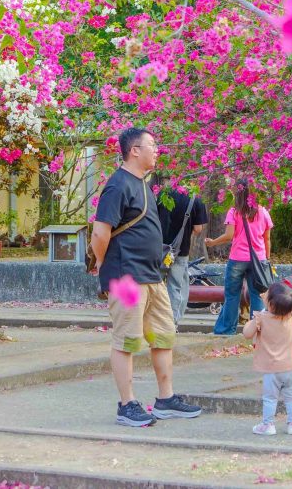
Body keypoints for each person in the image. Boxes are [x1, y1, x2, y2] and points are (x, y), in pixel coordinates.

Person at [89, 127, 202, 427]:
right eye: (152, 145)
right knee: (126, 340)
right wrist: (103, 263)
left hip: (153, 277)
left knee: (163, 335)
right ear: (134, 150)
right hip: (127, 277)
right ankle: (127, 405)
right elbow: (100, 232)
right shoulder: (118, 185)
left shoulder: (143, 185)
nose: (157, 150)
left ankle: (166, 399)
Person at [205, 179, 272, 336]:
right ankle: (257, 332)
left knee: (232, 294)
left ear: (238, 193)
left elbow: (229, 235)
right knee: (257, 295)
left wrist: (212, 242)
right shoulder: (263, 211)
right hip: (259, 259)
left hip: (237, 259)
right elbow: (267, 238)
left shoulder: (234, 211)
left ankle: (226, 330)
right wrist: (266, 259)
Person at [243, 281, 292, 436]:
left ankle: (268, 425)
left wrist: (256, 319)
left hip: (272, 369)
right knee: (291, 397)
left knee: (270, 398)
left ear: (271, 305)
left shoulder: (261, 318)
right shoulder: (290, 315)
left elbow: (247, 333)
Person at [156, 179, 209, 327]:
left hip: (159, 249)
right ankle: (172, 323)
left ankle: (151, 319)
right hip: (180, 250)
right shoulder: (195, 199)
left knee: (153, 284)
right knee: (176, 287)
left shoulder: (162, 194)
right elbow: (198, 229)